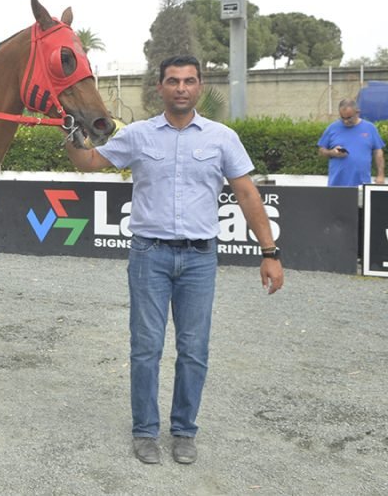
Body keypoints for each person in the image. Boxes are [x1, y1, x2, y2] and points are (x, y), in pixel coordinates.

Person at [65, 55, 284, 466]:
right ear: (160, 87)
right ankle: (145, 431)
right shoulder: (139, 135)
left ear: (199, 85)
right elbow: (89, 161)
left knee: (194, 349)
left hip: (200, 259)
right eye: (173, 81)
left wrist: (269, 252)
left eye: (188, 81)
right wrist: (70, 133)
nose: (181, 88)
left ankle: (184, 431)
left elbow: (247, 194)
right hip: (149, 255)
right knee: (145, 348)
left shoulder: (222, 137)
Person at [317, 98, 385, 186]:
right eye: (342, 118)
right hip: (336, 184)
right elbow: (321, 151)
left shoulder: (370, 128)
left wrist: (380, 175)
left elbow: (378, 151)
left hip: (362, 183)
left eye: (349, 118)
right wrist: (332, 153)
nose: (345, 121)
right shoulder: (332, 128)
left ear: (357, 112)